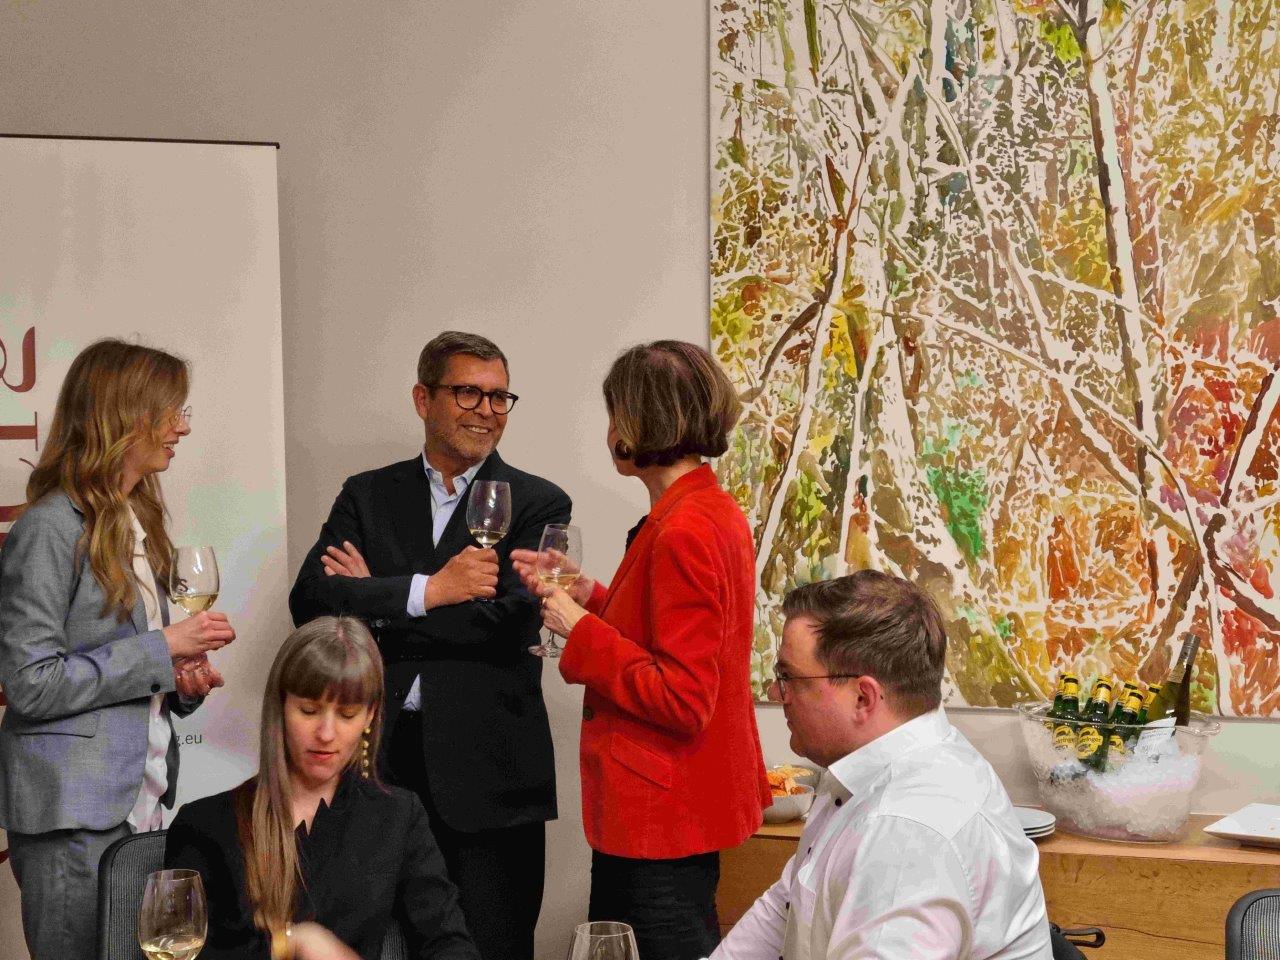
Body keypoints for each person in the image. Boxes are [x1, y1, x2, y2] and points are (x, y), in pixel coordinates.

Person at [288, 331, 570, 960]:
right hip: (374, 767)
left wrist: (375, 602)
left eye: (499, 397)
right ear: (423, 399)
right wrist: (432, 591)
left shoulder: (539, 502)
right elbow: (310, 603)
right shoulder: (366, 494)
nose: (487, 411)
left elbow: (508, 624)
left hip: (489, 778)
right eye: (468, 392)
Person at [512, 339, 769, 960]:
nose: (610, 431)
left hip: (660, 818)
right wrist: (591, 596)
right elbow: (671, 638)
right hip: (673, 810)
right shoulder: (706, 510)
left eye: (616, 414)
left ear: (642, 422)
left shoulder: (682, 530)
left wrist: (579, 627)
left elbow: (684, 698)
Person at [0, 338, 235, 960]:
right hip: (74, 818)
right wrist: (163, 649)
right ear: (123, 416)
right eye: (170, 411)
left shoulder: (138, 522)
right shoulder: (49, 527)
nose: (182, 427)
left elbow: (139, 668)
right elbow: (29, 682)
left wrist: (179, 680)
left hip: (143, 803)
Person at [713, 572, 1053, 960]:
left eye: (788, 677)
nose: (776, 692)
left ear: (863, 697)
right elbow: (788, 904)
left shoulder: (908, 833)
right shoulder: (861, 769)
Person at [165, 616, 479, 960]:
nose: (326, 733)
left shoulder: (398, 818)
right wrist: (291, 943)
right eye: (309, 710)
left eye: (347, 714)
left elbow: (450, 946)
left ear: (370, 715)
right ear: (281, 706)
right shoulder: (205, 825)